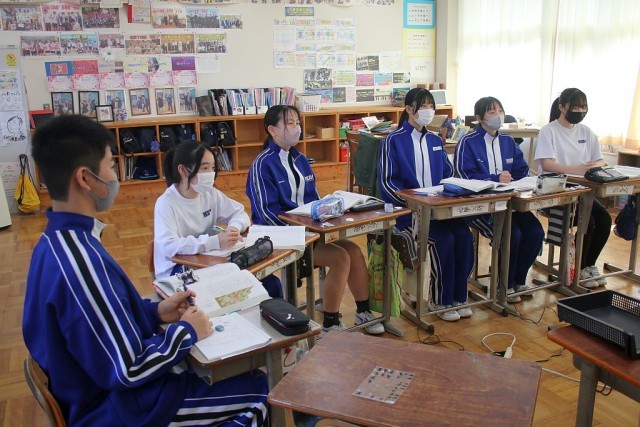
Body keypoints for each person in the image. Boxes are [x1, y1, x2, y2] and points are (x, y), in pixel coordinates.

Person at [23, 115, 268, 426]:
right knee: (261, 390)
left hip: (110, 390)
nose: (115, 176)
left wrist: (155, 312)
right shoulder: (79, 261)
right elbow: (127, 370)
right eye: (111, 165)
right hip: (119, 408)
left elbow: (106, 316)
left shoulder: (56, 242)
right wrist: (186, 332)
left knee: (231, 371)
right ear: (85, 178)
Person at [246, 105, 384, 335]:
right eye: (289, 123)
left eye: (297, 123)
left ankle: (363, 311)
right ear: (272, 130)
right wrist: (303, 234)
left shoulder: (300, 159)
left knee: (354, 251)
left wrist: (331, 211)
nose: (296, 128)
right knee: (340, 257)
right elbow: (265, 213)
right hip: (283, 239)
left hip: (309, 233)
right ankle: (330, 323)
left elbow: (315, 202)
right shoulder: (262, 164)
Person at [378, 88, 474, 321]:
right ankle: (440, 300)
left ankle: (458, 296)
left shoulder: (434, 139)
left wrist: (450, 192)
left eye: (431, 106)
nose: (428, 110)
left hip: (439, 210)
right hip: (409, 213)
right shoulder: (393, 140)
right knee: (444, 240)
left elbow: (448, 174)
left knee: (464, 236)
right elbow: (387, 182)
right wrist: (414, 202)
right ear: (409, 109)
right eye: (423, 106)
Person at [154, 140, 282, 297]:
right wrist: (214, 242)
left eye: (213, 168)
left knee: (271, 283)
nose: (210, 174)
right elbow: (169, 246)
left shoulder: (210, 193)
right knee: (238, 289)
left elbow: (240, 213)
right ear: (183, 170)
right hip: (177, 270)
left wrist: (234, 228)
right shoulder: (166, 203)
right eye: (204, 168)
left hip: (207, 260)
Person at [454, 96, 544, 302]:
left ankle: (518, 279)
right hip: (479, 207)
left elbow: (521, 170)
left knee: (535, 232)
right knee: (512, 234)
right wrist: (494, 179)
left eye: (500, 111)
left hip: (510, 204)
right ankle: (504, 284)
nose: (498, 116)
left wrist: (522, 180)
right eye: (491, 112)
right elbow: (463, 176)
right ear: (479, 118)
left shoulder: (507, 141)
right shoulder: (468, 142)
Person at [535, 88, 610, 288]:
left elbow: (600, 159)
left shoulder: (586, 131)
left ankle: (588, 266)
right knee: (588, 221)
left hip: (583, 190)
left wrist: (593, 166)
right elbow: (547, 164)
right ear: (562, 107)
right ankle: (577, 269)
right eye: (575, 107)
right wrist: (576, 169)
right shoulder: (548, 131)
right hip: (556, 190)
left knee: (604, 219)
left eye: (583, 107)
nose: (580, 111)